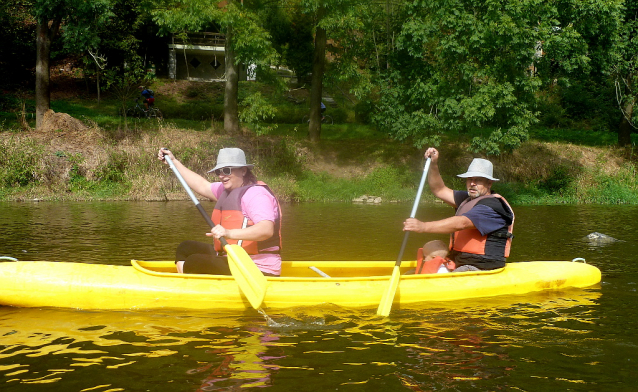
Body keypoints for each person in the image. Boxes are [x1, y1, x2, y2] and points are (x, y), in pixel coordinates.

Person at [157, 147, 282, 276]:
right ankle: (185, 284)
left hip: (257, 268)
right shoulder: (226, 190)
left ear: (243, 170)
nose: (222, 176)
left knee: (195, 262)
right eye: (219, 171)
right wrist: (174, 161)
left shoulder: (256, 195)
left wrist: (229, 233)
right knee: (186, 248)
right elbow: (202, 185)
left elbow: (266, 230)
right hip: (233, 259)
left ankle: (191, 285)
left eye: (227, 170)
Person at [403, 148, 514, 272]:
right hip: (458, 262)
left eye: (478, 180)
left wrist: (423, 226)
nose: (472, 183)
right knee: (421, 264)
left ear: (489, 184)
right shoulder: (466, 199)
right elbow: (439, 189)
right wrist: (433, 164)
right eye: (469, 179)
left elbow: (462, 223)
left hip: (480, 266)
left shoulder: (493, 206)